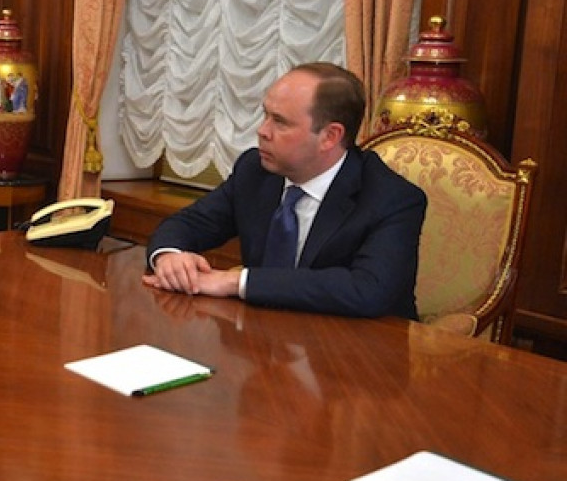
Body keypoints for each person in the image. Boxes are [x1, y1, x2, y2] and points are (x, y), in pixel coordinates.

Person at [142, 62, 427, 320]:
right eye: (265, 115)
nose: (262, 131)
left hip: (359, 357)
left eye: (280, 122)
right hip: (262, 344)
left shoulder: (392, 198)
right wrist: (169, 257)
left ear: (330, 136)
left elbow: (367, 290)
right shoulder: (255, 171)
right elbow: (188, 223)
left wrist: (237, 281)